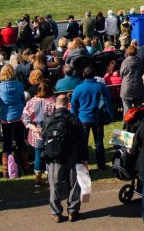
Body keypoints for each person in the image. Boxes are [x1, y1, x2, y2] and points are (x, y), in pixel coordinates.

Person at [43, 94, 89, 222]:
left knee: (55, 184)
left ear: (55, 104)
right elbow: (82, 139)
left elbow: (44, 138)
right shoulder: (73, 118)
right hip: (72, 155)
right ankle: (73, 211)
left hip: (54, 156)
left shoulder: (49, 119)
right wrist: (84, 158)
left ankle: (55, 213)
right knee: (74, 183)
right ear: (67, 104)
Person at [71, 66, 113, 171]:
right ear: (94, 74)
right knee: (99, 142)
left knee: (83, 143)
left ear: (83, 75)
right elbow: (108, 100)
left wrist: (75, 117)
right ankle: (101, 165)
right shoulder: (101, 86)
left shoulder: (78, 88)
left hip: (83, 119)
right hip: (98, 118)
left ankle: (84, 165)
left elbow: (73, 105)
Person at [0, 64, 29, 178]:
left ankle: (5, 171)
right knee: (20, 141)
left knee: (7, 143)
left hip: (6, 117)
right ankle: (26, 167)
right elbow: (22, 99)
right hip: (19, 116)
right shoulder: (19, 85)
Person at [22, 79, 57, 187]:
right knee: (50, 156)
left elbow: (25, 117)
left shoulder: (31, 102)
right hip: (51, 133)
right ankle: (49, 177)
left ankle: (37, 180)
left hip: (36, 134)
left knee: (38, 155)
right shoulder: (53, 101)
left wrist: (32, 127)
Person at [118, 44, 144, 112]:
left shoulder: (125, 62)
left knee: (127, 112)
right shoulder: (140, 61)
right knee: (138, 111)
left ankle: (127, 123)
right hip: (138, 87)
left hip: (127, 88)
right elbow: (142, 72)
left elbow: (121, 73)